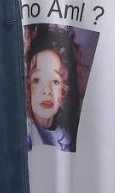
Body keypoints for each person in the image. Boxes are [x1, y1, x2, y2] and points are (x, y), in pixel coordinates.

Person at [25, 24, 81, 153]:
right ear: (27, 86)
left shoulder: (66, 139)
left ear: (64, 90)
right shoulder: (24, 133)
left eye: (55, 81)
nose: (47, 90)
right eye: (37, 80)